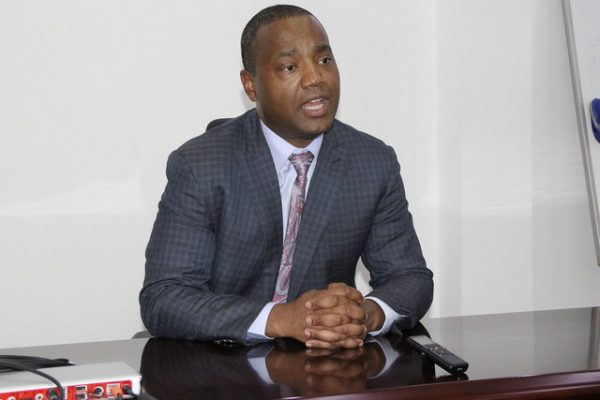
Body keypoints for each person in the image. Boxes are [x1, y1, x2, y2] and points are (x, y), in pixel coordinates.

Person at [139, 4, 433, 349]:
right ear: (251, 86)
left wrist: (366, 315)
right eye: (290, 67)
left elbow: (410, 277)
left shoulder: (372, 161)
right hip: (222, 361)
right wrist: (282, 319)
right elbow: (164, 296)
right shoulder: (200, 165)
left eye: (324, 60)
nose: (315, 78)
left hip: (326, 361)